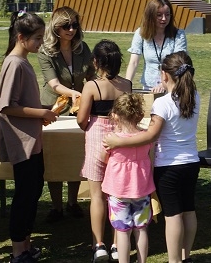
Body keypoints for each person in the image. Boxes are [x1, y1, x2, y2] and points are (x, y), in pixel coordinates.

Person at [106, 51, 200, 263]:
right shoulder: (195, 97)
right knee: (188, 209)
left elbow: (151, 135)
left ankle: (174, 260)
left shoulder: (162, 103)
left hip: (168, 167)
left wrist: (118, 141)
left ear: (164, 75)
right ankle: (186, 256)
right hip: (191, 162)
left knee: (173, 214)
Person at [0, 10, 57, 263]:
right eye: (37, 38)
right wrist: (40, 112)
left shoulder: (22, 61)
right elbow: (6, 105)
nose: (41, 43)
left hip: (31, 140)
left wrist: (39, 116)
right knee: (25, 195)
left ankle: (26, 244)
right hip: (22, 142)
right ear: (21, 37)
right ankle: (18, 251)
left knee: (32, 193)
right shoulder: (14, 63)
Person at [77, 40, 132, 263]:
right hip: (120, 139)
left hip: (97, 139)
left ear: (96, 62)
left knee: (97, 196)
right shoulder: (126, 85)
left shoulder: (92, 86)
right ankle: (118, 244)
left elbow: (82, 119)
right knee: (118, 195)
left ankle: (98, 244)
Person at [37, 7, 93, 222]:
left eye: (75, 25)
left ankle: (73, 202)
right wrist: (74, 93)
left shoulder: (82, 48)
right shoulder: (45, 51)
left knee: (75, 154)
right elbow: (53, 83)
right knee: (54, 156)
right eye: (66, 26)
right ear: (55, 27)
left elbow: (91, 75)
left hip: (78, 109)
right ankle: (56, 206)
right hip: (52, 107)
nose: (71, 29)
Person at [102, 93, 154, 263]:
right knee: (141, 229)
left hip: (118, 191)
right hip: (142, 188)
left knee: (122, 231)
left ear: (115, 115)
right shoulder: (146, 137)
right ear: (139, 115)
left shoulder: (112, 139)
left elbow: (104, 158)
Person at [125, 0, 187, 93]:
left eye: (167, 15)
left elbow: (178, 63)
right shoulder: (140, 33)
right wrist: (127, 84)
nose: (164, 19)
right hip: (148, 87)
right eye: (159, 15)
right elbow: (134, 62)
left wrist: (163, 84)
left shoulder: (178, 35)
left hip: (172, 86)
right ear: (150, 16)